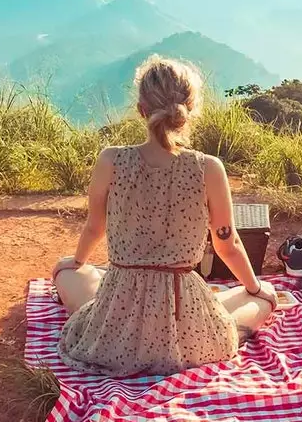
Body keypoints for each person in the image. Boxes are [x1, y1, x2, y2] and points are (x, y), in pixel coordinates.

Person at [52, 56, 277, 377]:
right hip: (185, 318)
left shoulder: (110, 160)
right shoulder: (208, 167)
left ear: (141, 109)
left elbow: (94, 227)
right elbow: (228, 244)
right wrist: (255, 287)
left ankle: (90, 280)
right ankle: (251, 299)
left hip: (118, 318)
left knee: (67, 273)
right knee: (260, 297)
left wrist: (76, 261)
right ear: (190, 110)